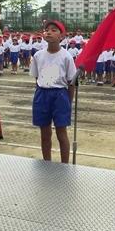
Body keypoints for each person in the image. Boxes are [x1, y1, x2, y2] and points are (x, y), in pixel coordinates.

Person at [30, 20, 76, 163]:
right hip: (42, 94)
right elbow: (37, 77)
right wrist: (41, 90)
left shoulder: (66, 56)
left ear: (61, 36)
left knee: (61, 133)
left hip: (60, 95)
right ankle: (47, 163)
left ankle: (65, 165)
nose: (49, 32)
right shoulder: (38, 56)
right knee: (45, 133)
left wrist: (68, 102)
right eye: (47, 30)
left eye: (54, 30)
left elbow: (71, 82)